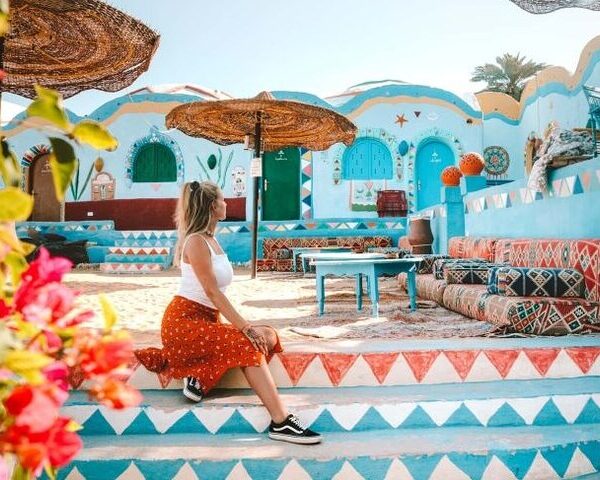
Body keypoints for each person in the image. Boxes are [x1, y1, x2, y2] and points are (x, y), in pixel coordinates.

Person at [135, 180, 321, 445]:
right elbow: (212, 292)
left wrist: (246, 328)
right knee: (249, 343)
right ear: (213, 206)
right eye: (222, 200)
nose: (227, 203)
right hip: (183, 323)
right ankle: (281, 421)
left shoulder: (211, 240)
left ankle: (198, 374)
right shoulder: (196, 242)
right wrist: (245, 327)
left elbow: (214, 301)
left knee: (268, 335)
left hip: (207, 319)